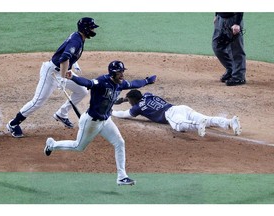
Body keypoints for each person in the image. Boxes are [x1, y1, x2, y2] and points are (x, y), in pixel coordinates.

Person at [43, 60, 157, 186]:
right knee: (78, 147)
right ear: (113, 73)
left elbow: (133, 84)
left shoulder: (120, 84)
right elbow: (88, 82)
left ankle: (122, 177)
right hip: (91, 122)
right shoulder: (102, 82)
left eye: (123, 72)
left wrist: (146, 81)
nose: (122, 75)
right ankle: (52, 144)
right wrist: (73, 77)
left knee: (120, 142)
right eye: (120, 72)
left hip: (106, 121)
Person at [6, 17, 99, 138]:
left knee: (82, 91)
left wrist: (72, 65)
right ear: (85, 29)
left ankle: (62, 114)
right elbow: (64, 58)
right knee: (38, 102)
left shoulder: (78, 37)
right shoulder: (76, 41)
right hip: (52, 73)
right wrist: (62, 78)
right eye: (91, 27)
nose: (93, 30)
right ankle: (13, 124)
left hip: (64, 71)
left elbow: (67, 53)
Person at [112, 90, 242, 137]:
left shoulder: (137, 108)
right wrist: (124, 99)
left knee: (178, 126)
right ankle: (230, 122)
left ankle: (197, 125)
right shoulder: (147, 95)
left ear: (133, 100)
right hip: (181, 108)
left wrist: (111, 110)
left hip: (170, 115)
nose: (129, 103)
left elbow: (123, 114)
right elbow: (137, 95)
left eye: (129, 101)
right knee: (207, 119)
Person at [212, 12, 246, 86]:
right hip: (220, 18)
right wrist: (216, 14)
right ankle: (231, 69)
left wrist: (237, 23)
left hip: (233, 19)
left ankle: (239, 77)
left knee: (236, 50)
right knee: (217, 46)